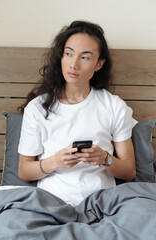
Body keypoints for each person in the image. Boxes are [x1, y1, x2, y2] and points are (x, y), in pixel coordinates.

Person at [18, 20, 136, 206]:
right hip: (52, 203)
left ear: (99, 64)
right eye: (68, 54)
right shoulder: (38, 107)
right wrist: (55, 161)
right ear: (61, 57)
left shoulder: (114, 106)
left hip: (102, 203)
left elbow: (129, 172)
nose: (73, 64)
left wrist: (105, 158)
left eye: (85, 57)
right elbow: (24, 171)